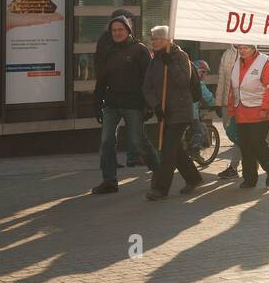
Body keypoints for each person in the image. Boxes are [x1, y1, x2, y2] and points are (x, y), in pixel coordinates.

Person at [92, 15, 159, 194]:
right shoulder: (108, 50)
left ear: (128, 30)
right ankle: (109, 182)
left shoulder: (140, 50)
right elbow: (102, 78)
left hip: (133, 104)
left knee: (138, 140)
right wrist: (97, 102)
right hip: (111, 103)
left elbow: (149, 80)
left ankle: (160, 173)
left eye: (121, 29)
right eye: (114, 30)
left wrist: (148, 105)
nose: (117, 33)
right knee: (106, 141)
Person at [142, 25, 204, 200]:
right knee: (175, 149)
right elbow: (146, 87)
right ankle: (194, 178)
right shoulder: (154, 60)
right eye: (152, 39)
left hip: (180, 111)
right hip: (165, 112)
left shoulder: (180, 56)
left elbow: (183, 82)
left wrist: (171, 64)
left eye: (157, 39)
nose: (153, 42)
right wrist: (156, 106)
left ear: (168, 40)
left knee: (167, 150)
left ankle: (160, 189)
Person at [227, 43, 269, 189]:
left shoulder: (264, 61)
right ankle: (249, 179)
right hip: (241, 112)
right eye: (240, 48)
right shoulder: (237, 63)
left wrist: (265, 107)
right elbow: (233, 89)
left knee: (257, 143)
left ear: (254, 48)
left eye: (246, 48)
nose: (242, 50)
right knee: (245, 146)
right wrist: (231, 109)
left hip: (260, 111)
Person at [212, 45, 240, 178]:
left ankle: (233, 167)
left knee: (238, 135)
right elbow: (221, 80)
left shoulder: (251, 52)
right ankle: (252, 152)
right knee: (230, 132)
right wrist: (218, 103)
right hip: (226, 102)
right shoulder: (227, 54)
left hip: (242, 104)